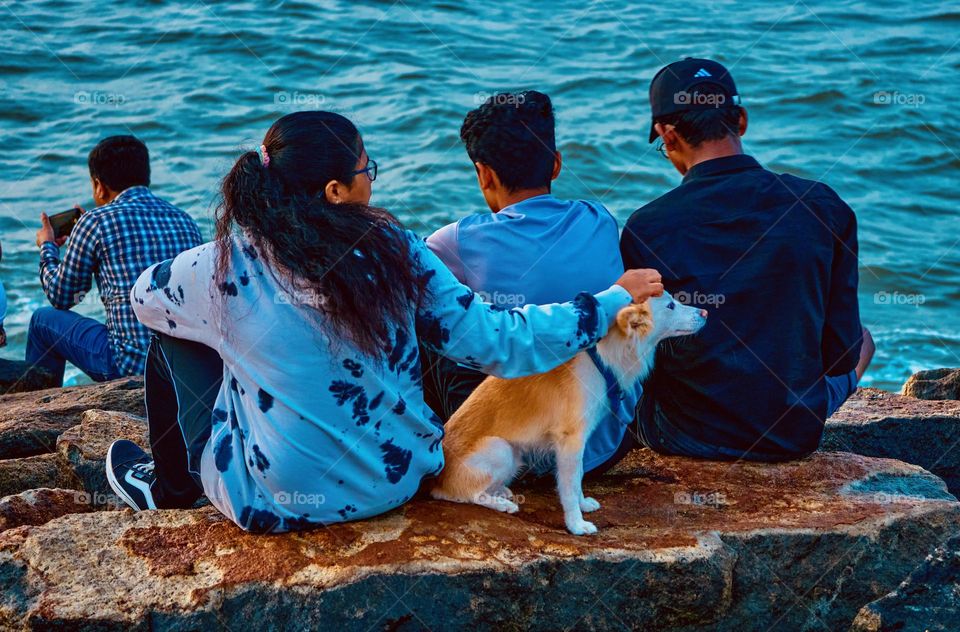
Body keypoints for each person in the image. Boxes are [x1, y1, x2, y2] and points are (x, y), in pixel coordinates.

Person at [104, 111, 664, 534]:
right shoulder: (398, 249)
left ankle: (171, 487)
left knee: (174, 327)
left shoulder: (221, 265)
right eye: (364, 170)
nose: (371, 180)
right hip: (394, 481)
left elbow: (142, 298)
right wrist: (606, 301)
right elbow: (500, 341)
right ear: (336, 192)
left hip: (274, 500)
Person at [617, 57, 875, 464]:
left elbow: (635, 351)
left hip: (681, 434)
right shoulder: (823, 206)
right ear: (740, 120)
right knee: (865, 338)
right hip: (791, 435)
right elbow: (842, 354)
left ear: (667, 136)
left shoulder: (647, 226)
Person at [423, 90, 633, 472]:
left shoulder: (455, 241)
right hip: (604, 445)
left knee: (440, 320)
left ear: (483, 173)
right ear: (555, 165)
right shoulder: (599, 218)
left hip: (517, 455)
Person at [27, 135, 202, 384]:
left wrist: (47, 246)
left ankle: (42, 407)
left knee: (41, 321)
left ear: (99, 185)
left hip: (128, 367)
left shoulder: (95, 222)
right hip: (184, 369)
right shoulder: (185, 221)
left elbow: (61, 295)